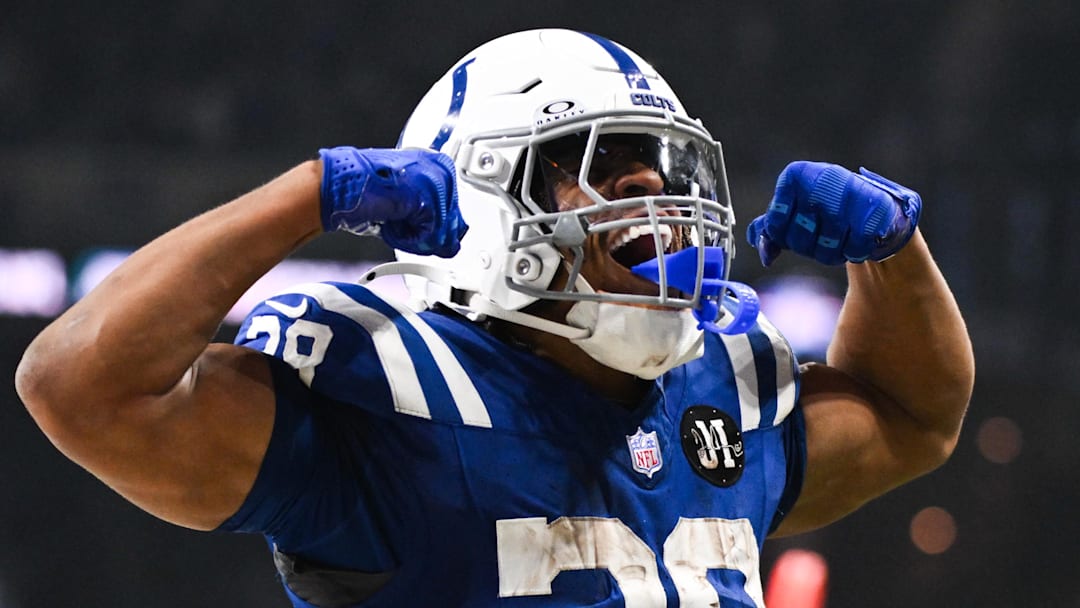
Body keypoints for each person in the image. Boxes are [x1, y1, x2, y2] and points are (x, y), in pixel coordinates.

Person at [15, 29, 973, 607]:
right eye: (594, 160)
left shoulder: (723, 391)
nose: (648, 185)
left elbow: (917, 413)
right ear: (483, 201)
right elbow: (78, 386)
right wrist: (312, 194)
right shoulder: (395, 404)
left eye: (660, 160)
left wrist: (893, 252)